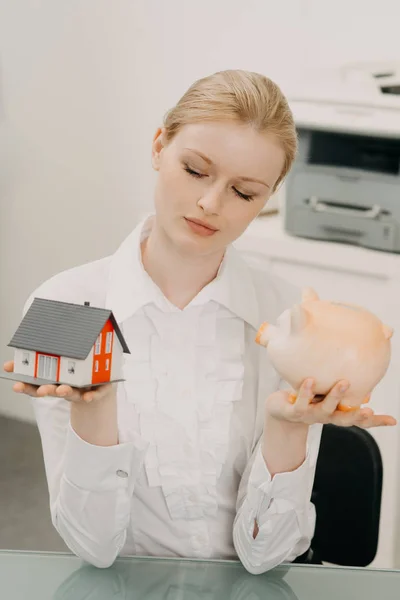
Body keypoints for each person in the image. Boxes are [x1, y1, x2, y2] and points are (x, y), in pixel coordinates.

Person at [3, 70, 396, 575]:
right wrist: (95, 414)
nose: (211, 204)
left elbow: (267, 558)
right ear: (158, 147)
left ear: (269, 196)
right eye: (194, 170)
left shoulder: (289, 316)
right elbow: (92, 548)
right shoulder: (62, 303)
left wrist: (286, 428)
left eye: (245, 192)